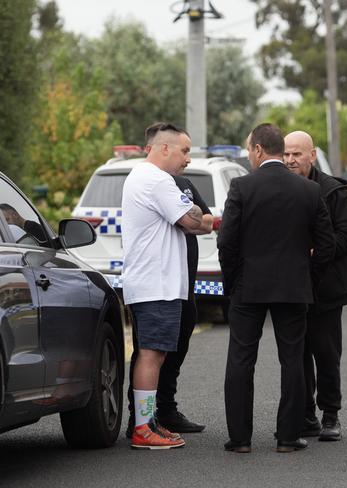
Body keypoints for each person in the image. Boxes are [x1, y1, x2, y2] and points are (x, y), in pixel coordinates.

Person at [217, 123, 335, 453]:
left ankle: (240, 438)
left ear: (257, 149)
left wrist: (232, 282)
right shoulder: (308, 191)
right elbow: (327, 246)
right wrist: (307, 276)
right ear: (280, 150)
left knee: (241, 359)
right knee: (293, 360)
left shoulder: (241, 187)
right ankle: (287, 437)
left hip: (248, 287)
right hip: (293, 287)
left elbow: (226, 242)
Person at [125, 123, 214, 438]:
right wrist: (195, 215)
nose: (187, 159)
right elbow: (197, 223)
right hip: (156, 284)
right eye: (185, 150)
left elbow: (197, 218)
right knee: (151, 353)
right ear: (165, 148)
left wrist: (194, 214)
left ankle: (149, 423)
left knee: (156, 352)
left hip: (157, 283)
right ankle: (142, 427)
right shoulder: (158, 180)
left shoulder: (144, 177)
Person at [283, 130, 347, 441]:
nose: (290, 160)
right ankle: (304, 415)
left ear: (312, 156)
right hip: (293, 287)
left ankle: (330, 415)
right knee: (297, 354)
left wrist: (319, 249)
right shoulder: (282, 187)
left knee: (326, 354)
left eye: (297, 154)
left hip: (327, 288)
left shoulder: (333, 190)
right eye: (286, 154)